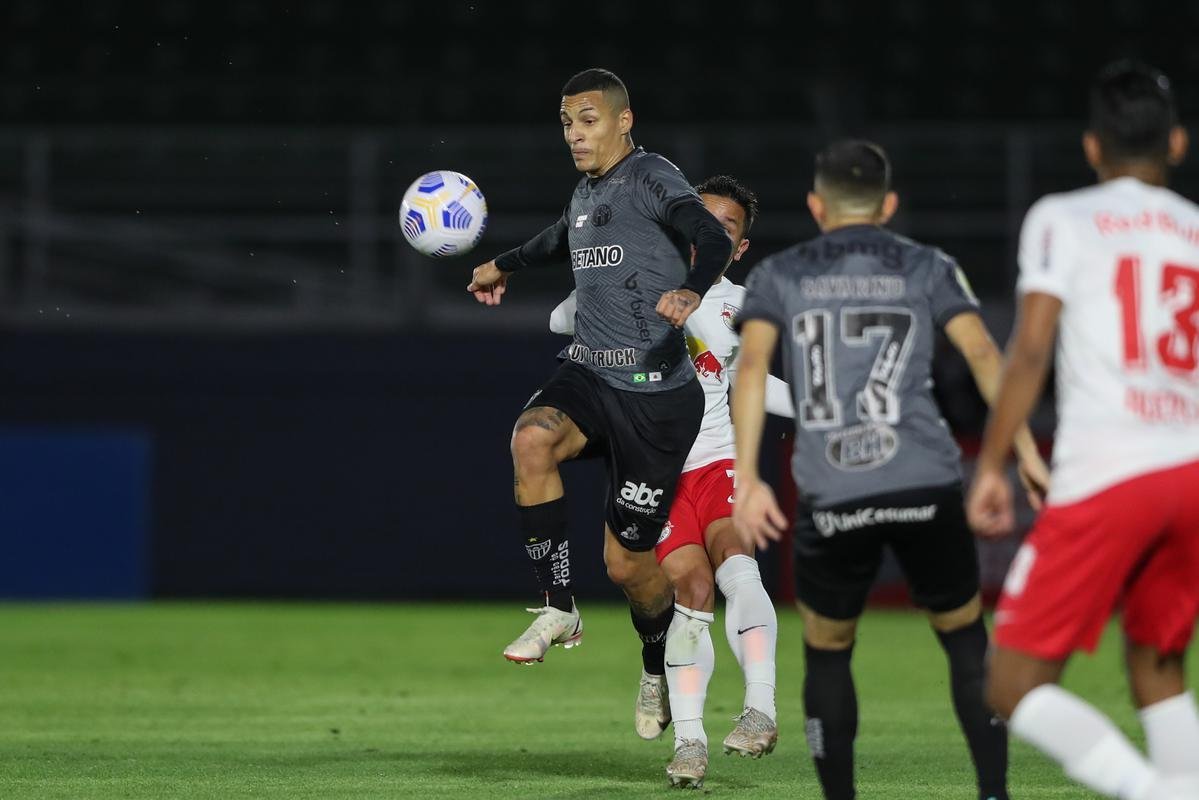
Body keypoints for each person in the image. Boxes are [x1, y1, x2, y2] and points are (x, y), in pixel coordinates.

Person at [733, 139, 1049, 800]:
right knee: (963, 640)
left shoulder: (777, 274)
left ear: (816, 205)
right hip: (922, 480)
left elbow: (752, 372)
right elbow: (987, 357)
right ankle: (994, 793)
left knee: (826, 650)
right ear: (889, 204)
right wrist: (1024, 454)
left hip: (832, 489)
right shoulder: (927, 265)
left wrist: (749, 478)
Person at [466, 67, 733, 735]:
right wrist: (503, 263)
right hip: (590, 374)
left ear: (622, 120)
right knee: (531, 439)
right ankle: (558, 605)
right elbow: (560, 237)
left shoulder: (652, 176)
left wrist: (695, 288)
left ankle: (654, 666)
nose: (574, 134)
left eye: (586, 120)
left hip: (655, 399)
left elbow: (710, 232)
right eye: (565, 123)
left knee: (630, 568)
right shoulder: (587, 192)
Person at [967, 60, 1199, 800]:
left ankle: (1153, 793)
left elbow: (1030, 348)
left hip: (1110, 470)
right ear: (1176, 143)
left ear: (1091, 147)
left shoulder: (1062, 217)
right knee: (1157, 663)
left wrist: (992, 464)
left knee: (1008, 683)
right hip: (1190, 472)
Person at [550, 175, 794, 787]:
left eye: (726, 229)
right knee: (690, 591)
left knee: (736, 564)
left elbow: (758, 381)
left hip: (717, 462)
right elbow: (562, 316)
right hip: (657, 471)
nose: (707, 234)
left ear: (737, 249)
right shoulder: (639, 281)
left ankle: (761, 708)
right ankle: (690, 744)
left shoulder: (740, 306)